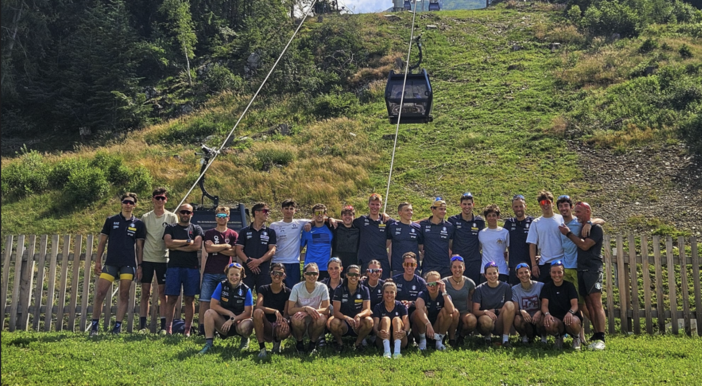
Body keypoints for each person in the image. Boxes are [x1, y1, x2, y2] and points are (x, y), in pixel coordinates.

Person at [90, 192, 146, 336]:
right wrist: (98, 261)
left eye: (131, 202)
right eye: (126, 202)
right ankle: (94, 326)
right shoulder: (111, 220)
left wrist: (140, 266)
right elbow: (102, 242)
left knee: (123, 294)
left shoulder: (138, 223)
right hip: (111, 263)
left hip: (128, 263)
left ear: (135, 205)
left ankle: (117, 327)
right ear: (121, 203)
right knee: (100, 293)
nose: (128, 205)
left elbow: (139, 247)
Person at [559, 202, 607, 350]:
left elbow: (585, 245)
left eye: (579, 212)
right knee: (587, 304)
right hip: (581, 270)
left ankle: (601, 337)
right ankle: (595, 335)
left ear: (587, 211)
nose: (576, 215)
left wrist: (568, 233)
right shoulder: (582, 225)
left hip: (593, 269)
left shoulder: (596, 228)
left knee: (596, 303)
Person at [139, 188, 178, 334]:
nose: (160, 201)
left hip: (164, 259)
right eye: (157, 198)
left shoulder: (172, 217)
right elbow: (141, 240)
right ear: (152, 199)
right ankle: (143, 326)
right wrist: (139, 262)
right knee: (145, 292)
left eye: (162, 198)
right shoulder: (145, 217)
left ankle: (163, 326)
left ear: (166, 200)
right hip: (147, 258)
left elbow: (175, 237)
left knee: (163, 293)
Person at [163, 203, 204, 336]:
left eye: (188, 212)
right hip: (174, 267)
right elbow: (168, 243)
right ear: (179, 213)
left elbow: (197, 246)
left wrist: (176, 246)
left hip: (191, 268)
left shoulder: (196, 228)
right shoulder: (171, 227)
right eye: (183, 212)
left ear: (192, 214)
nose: (185, 214)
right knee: (172, 299)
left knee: (189, 299)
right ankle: (168, 328)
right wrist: (187, 242)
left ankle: (187, 329)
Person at [198, 263, 254, 354]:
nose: (234, 277)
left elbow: (248, 313)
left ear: (241, 276)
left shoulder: (246, 290)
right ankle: (209, 344)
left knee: (249, 323)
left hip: (238, 324)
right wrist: (229, 313)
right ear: (227, 275)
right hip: (223, 323)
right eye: (231, 274)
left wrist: (233, 319)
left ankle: (244, 340)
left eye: (237, 275)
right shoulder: (221, 285)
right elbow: (213, 305)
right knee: (209, 312)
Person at [200, 207, 238, 335]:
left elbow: (234, 251)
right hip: (210, 271)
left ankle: (221, 328)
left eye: (224, 215)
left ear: (229, 218)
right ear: (215, 217)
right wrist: (226, 246)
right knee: (205, 300)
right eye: (219, 215)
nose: (222, 218)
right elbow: (208, 249)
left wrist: (216, 248)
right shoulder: (209, 233)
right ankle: (202, 328)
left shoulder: (233, 234)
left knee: (223, 302)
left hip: (225, 273)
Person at [538, 260, 582, 350]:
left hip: (569, 317)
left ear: (563, 273)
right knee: (548, 322)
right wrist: (547, 314)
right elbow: (544, 305)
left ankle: (576, 338)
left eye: (559, 272)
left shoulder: (569, 286)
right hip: (556, 319)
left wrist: (570, 312)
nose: (556, 275)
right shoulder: (547, 287)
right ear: (550, 273)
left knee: (573, 321)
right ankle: (558, 338)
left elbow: (575, 305)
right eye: (554, 272)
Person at [329, 265, 373, 352]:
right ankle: (339, 344)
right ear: (346, 275)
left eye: (356, 275)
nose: (354, 277)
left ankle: (358, 343)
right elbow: (336, 312)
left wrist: (359, 316)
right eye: (351, 274)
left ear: (359, 276)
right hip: (343, 322)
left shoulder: (364, 289)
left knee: (369, 321)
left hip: (358, 323)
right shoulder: (339, 289)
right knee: (333, 322)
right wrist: (346, 318)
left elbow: (367, 309)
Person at [288, 263, 330, 355]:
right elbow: (290, 310)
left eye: (315, 274)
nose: (312, 276)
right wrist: (305, 308)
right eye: (309, 273)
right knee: (296, 318)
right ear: (304, 274)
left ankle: (313, 344)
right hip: (300, 321)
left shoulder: (323, 287)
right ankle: (299, 343)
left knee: (322, 318)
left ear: (318, 275)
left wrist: (308, 312)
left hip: (314, 320)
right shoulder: (297, 287)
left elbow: (326, 309)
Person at [472, 262, 516, 347]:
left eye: (494, 273)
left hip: (500, 319)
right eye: (489, 273)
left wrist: (495, 310)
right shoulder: (479, 289)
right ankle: (487, 337)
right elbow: (475, 311)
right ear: (485, 275)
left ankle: (505, 339)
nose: (492, 276)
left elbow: (509, 307)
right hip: (486, 318)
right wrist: (486, 312)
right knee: (485, 321)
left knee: (510, 304)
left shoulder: (505, 287)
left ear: (498, 273)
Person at [236, 202, 277, 292]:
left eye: (268, 211)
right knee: (245, 295)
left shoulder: (270, 232)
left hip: (264, 270)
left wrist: (259, 261)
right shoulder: (244, 231)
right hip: (247, 269)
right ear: (256, 212)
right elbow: (238, 249)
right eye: (265, 211)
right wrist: (249, 262)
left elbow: (272, 249)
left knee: (264, 296)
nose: (267, 213)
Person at [253, 263, 291, 359]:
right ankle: (262, 348)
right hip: (266, 324)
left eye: (280, 273)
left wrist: (284, 322)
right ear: (270, 274)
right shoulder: (263, 288)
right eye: (274, 272)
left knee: (284, 328)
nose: (277, 275)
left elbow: (286, 314)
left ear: (284, 276)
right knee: (257, 312)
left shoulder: (288, 291)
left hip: (279, 323)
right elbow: (258, 306)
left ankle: (277, 343)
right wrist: (275, 311)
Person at [269, 199, 309, 289]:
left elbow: (319, 219)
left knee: (293, 290)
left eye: (291, 208)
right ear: (282, 210)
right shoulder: (274, 225)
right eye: (286, 208)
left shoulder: (299, 223)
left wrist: (310, 223)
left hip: (293, 262)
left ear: (295, 210)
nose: (289, 211)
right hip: (277, 261)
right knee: (276, 289)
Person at [412, 271, 456, 351]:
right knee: (420, 310)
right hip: (424, 327)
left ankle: (439, 341)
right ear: (426, 285)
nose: (432, 286)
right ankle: (422, 340)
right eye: (430, 284)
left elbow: (451, 310)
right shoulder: (423, 294)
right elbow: (419, 309)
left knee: (447, 313)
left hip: (437, 328)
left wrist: (443, 291)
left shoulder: (444, 294)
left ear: (440, 284)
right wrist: (428, 325)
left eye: (435, 283)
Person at [527, 191, 564, 283]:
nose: (545, 205)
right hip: (545, 263)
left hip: (562, 261)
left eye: (547, 202)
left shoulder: (562, 219)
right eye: (542, 203)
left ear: (553, 203)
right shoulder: (536, 223)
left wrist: (589, 223)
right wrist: (534, 265)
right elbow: (532, 245)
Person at [448, 192, 485, 284]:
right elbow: (450, 241)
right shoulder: (453, 220)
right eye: (464, 204)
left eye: (469, 204)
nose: (467, 207)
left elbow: (481, 242)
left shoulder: (479, 221)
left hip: (474, 261)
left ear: (473, 204)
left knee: (473, 287)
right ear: (460, 205)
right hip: (457, 261)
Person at [353, 193, 393, 278]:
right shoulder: (362, 220)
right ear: (368, 204)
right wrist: (330, 219)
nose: (374, 207)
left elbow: (404, 223)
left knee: (383, 287)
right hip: (366, 260)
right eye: (372, 204)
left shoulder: (386, 221)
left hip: (382, 260)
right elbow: (346, 223)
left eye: (377, 205)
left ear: (381, 205)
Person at [442, 256, 477, 348]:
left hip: (463, 312)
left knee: (472, 321)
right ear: (451, 268)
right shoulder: (444, 282)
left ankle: (460, 336)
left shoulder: (470, 283)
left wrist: (471, 311)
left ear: (464, 268)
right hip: (449, 312)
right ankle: (451, 339)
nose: (457, 269)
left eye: (460, 267)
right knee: (455, 313)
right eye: (454, 267)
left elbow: (471, 297)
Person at [373, 281, 410, 359]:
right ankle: (387, 352)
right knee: (386, 319)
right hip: (382, 339)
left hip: (400, 338)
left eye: (391, 292)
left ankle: (397, 352)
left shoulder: (401, 306)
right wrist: (377, 333)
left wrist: (405, 332)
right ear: (383, 293)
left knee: (396, 319)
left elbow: (406, 323)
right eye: (386, 292)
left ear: (395, 294)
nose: (389, 295)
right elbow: (375, 324)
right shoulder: (378, 307)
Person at [419, 198, 454, 278]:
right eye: (441, 209)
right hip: (428, 266)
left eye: (445, 209)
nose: (443, 212)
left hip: (444, 267)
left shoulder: (449, 226)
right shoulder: (423, 225)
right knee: (428, 288)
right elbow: (420, 244)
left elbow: (451, 245)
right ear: (433, 209)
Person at [504, 194, 534, 285]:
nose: (518, 209)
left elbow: (541, 241)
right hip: (514, 266)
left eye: (521, 206)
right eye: (516, 206)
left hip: (530, 266)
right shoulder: (509, 223)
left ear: (525, 206)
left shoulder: (533, 222)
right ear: (512, 207)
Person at [386, 202, 423, 277]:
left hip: (413, 268)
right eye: (407, 210)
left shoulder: (418, 228)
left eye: (411, 210)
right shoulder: (393, 227)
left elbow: (422, 249)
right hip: (397, 268)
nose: (410, 212)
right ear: (400, 213)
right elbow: (386, 246)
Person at [511, 263, 544, 343]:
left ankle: (544, 338)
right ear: (517, 275)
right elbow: (516, 310)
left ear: (530, 272)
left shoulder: (540, 286)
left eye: (526, 272)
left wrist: (540, 312)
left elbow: (546, 305)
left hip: (539, 318)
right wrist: (522, 311)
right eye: (521, 273)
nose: (524, 275)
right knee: (517, 319)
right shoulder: (514, 289)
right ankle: (525, 337)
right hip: (526, 319)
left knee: (544, 317)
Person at [301, 204, 334, 280]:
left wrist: (331, 219)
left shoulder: (331, 228)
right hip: (309, 267)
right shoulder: (307, 229)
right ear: (313, 215)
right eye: (316, 213)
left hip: (325, 268)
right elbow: (300, 248)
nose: (319, 215)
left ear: (325, 214)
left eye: (321, 213)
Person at [477, 204, 509, 283]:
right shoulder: (481, 233)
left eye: (494, 215)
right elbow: (478, 249)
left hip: (502, 270)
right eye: (489, 216)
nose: (491, 218)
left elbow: (510, 250)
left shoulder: (505, 232)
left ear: (498, 217)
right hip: (485, 271)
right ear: (486, 218)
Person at [392, 252, 427, 320]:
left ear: (416, 265)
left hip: (414, 312)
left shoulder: (421, 282)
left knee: (424, 309)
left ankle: (421, 331)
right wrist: (400, 302)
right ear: (403, 265)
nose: (409, 267)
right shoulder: (395, 280)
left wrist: (412, 303)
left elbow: (424, 300)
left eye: (412, 264)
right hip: (397, 312)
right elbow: (388, 297)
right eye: (406, 264)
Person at [332, 205, 360, 271]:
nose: (347, 217)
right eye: (345, 215)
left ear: (354, 217)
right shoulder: (335, 227)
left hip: (353, 262)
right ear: (341, 216)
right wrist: (330, 218)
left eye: (350, 215)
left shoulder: (359, 229)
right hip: (337, 263)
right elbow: (320, 220)